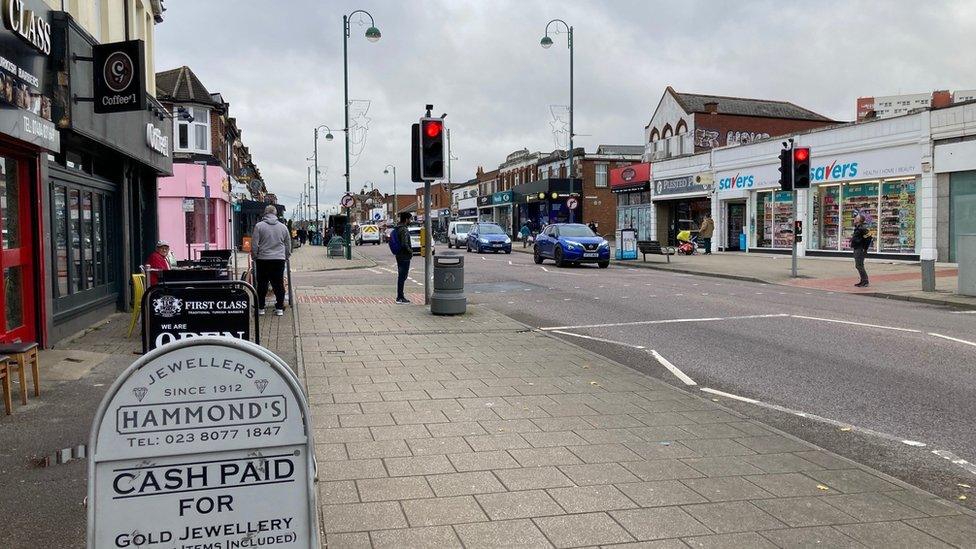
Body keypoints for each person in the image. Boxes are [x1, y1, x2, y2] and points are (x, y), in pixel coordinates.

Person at [251, 205, 292, 316]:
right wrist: (286, 256)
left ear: (265, 213)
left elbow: (254, 244)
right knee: (278, 284)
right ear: (275, 214)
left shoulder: (259, 226)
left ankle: (261, 308)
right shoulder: (283, 227)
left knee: (262, 284)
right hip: (279, 259)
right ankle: (279, 308)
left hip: (263, 259)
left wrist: (254, 256)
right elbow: (288, 244)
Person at [392, 212, 414, 304]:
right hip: (404, 256)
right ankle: (400, 297)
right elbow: (404, 244)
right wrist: (410, 251)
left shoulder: (397, 228)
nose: (410, 221)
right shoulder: (404, 230)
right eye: (410, 219)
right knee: (402, 276)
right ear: (406, 220)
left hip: (399, 255)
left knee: (401, 276)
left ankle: (400, 296)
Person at [851, 213, 871, 287]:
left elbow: (869, 236)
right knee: (859, 265)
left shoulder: (862, 228)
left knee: (859, 265)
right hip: (857, 248)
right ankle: (863, 280)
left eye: (856, 218)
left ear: (859, 220)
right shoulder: (858, 228)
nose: (854, 219)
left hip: (860, 249)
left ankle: (865, 281)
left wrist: (864, 246)